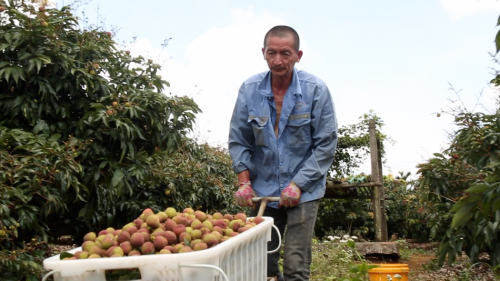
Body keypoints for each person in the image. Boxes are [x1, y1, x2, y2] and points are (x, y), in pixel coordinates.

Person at [228, 25, 338, 281]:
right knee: (260, 261)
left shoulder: (316, 90)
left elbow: (325, 144)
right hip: (262, 188)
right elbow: (239, 140)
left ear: (298, 55)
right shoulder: (249, 89)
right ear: (263, 53)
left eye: (285, 53)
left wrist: (298, 184)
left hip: (304, 189)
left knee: (295, 264)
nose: (278, 60)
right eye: (272, 53)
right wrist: (244, 183)